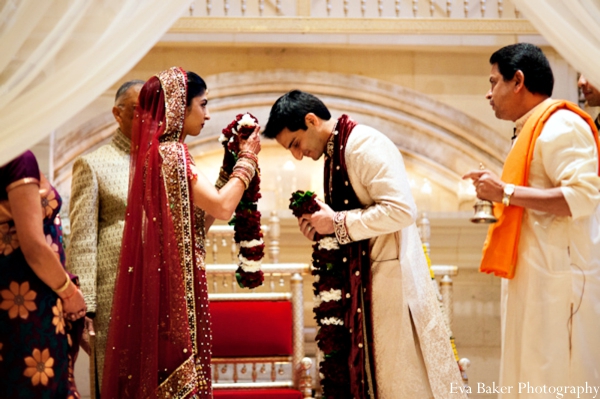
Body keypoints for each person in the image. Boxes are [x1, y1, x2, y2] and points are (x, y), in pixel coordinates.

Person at [263, 90, 465, 399]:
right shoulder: (337, 153)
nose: (297, 154)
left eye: (295, 143)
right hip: (368, 288)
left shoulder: (363, 145)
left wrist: (338, 223)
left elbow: (401, 210)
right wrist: (323, 229)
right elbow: (353, 217)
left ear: (311, 121)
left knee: (403, 386)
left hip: (392, 288)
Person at [101, 67, 260, 398]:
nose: (207, 113)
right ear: (178, 107)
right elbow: (222, 207)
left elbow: (194, 228)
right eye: (202, 104)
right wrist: (247, 160)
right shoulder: (172, 153)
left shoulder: (152, 154)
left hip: (165, 277)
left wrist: (227, 173)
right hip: (176, 285)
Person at [463, 43, 600, 397]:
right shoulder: (534, 128)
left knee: (553, 380)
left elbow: (582, 198)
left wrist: (504, 193)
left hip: (558, 280)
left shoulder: (562, 125)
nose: (488, 93)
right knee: (528, 378)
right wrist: (501, 190)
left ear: (518, 80)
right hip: (534, 275)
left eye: (494, 82)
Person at [67, 79, 144, 395]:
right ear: (118, 113)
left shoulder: (165, 163)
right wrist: (88, 309)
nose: (149, 119)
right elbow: (82, 239)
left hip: (158, 294)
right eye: (140, 111)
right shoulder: (93, 164)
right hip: (113, 298)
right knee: (118, 384)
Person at [0, 150, 86, 398]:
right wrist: (69, 293)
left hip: (19, 292)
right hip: (28, 297)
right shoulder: (17, 157)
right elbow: (34, 246)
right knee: (35, 383)